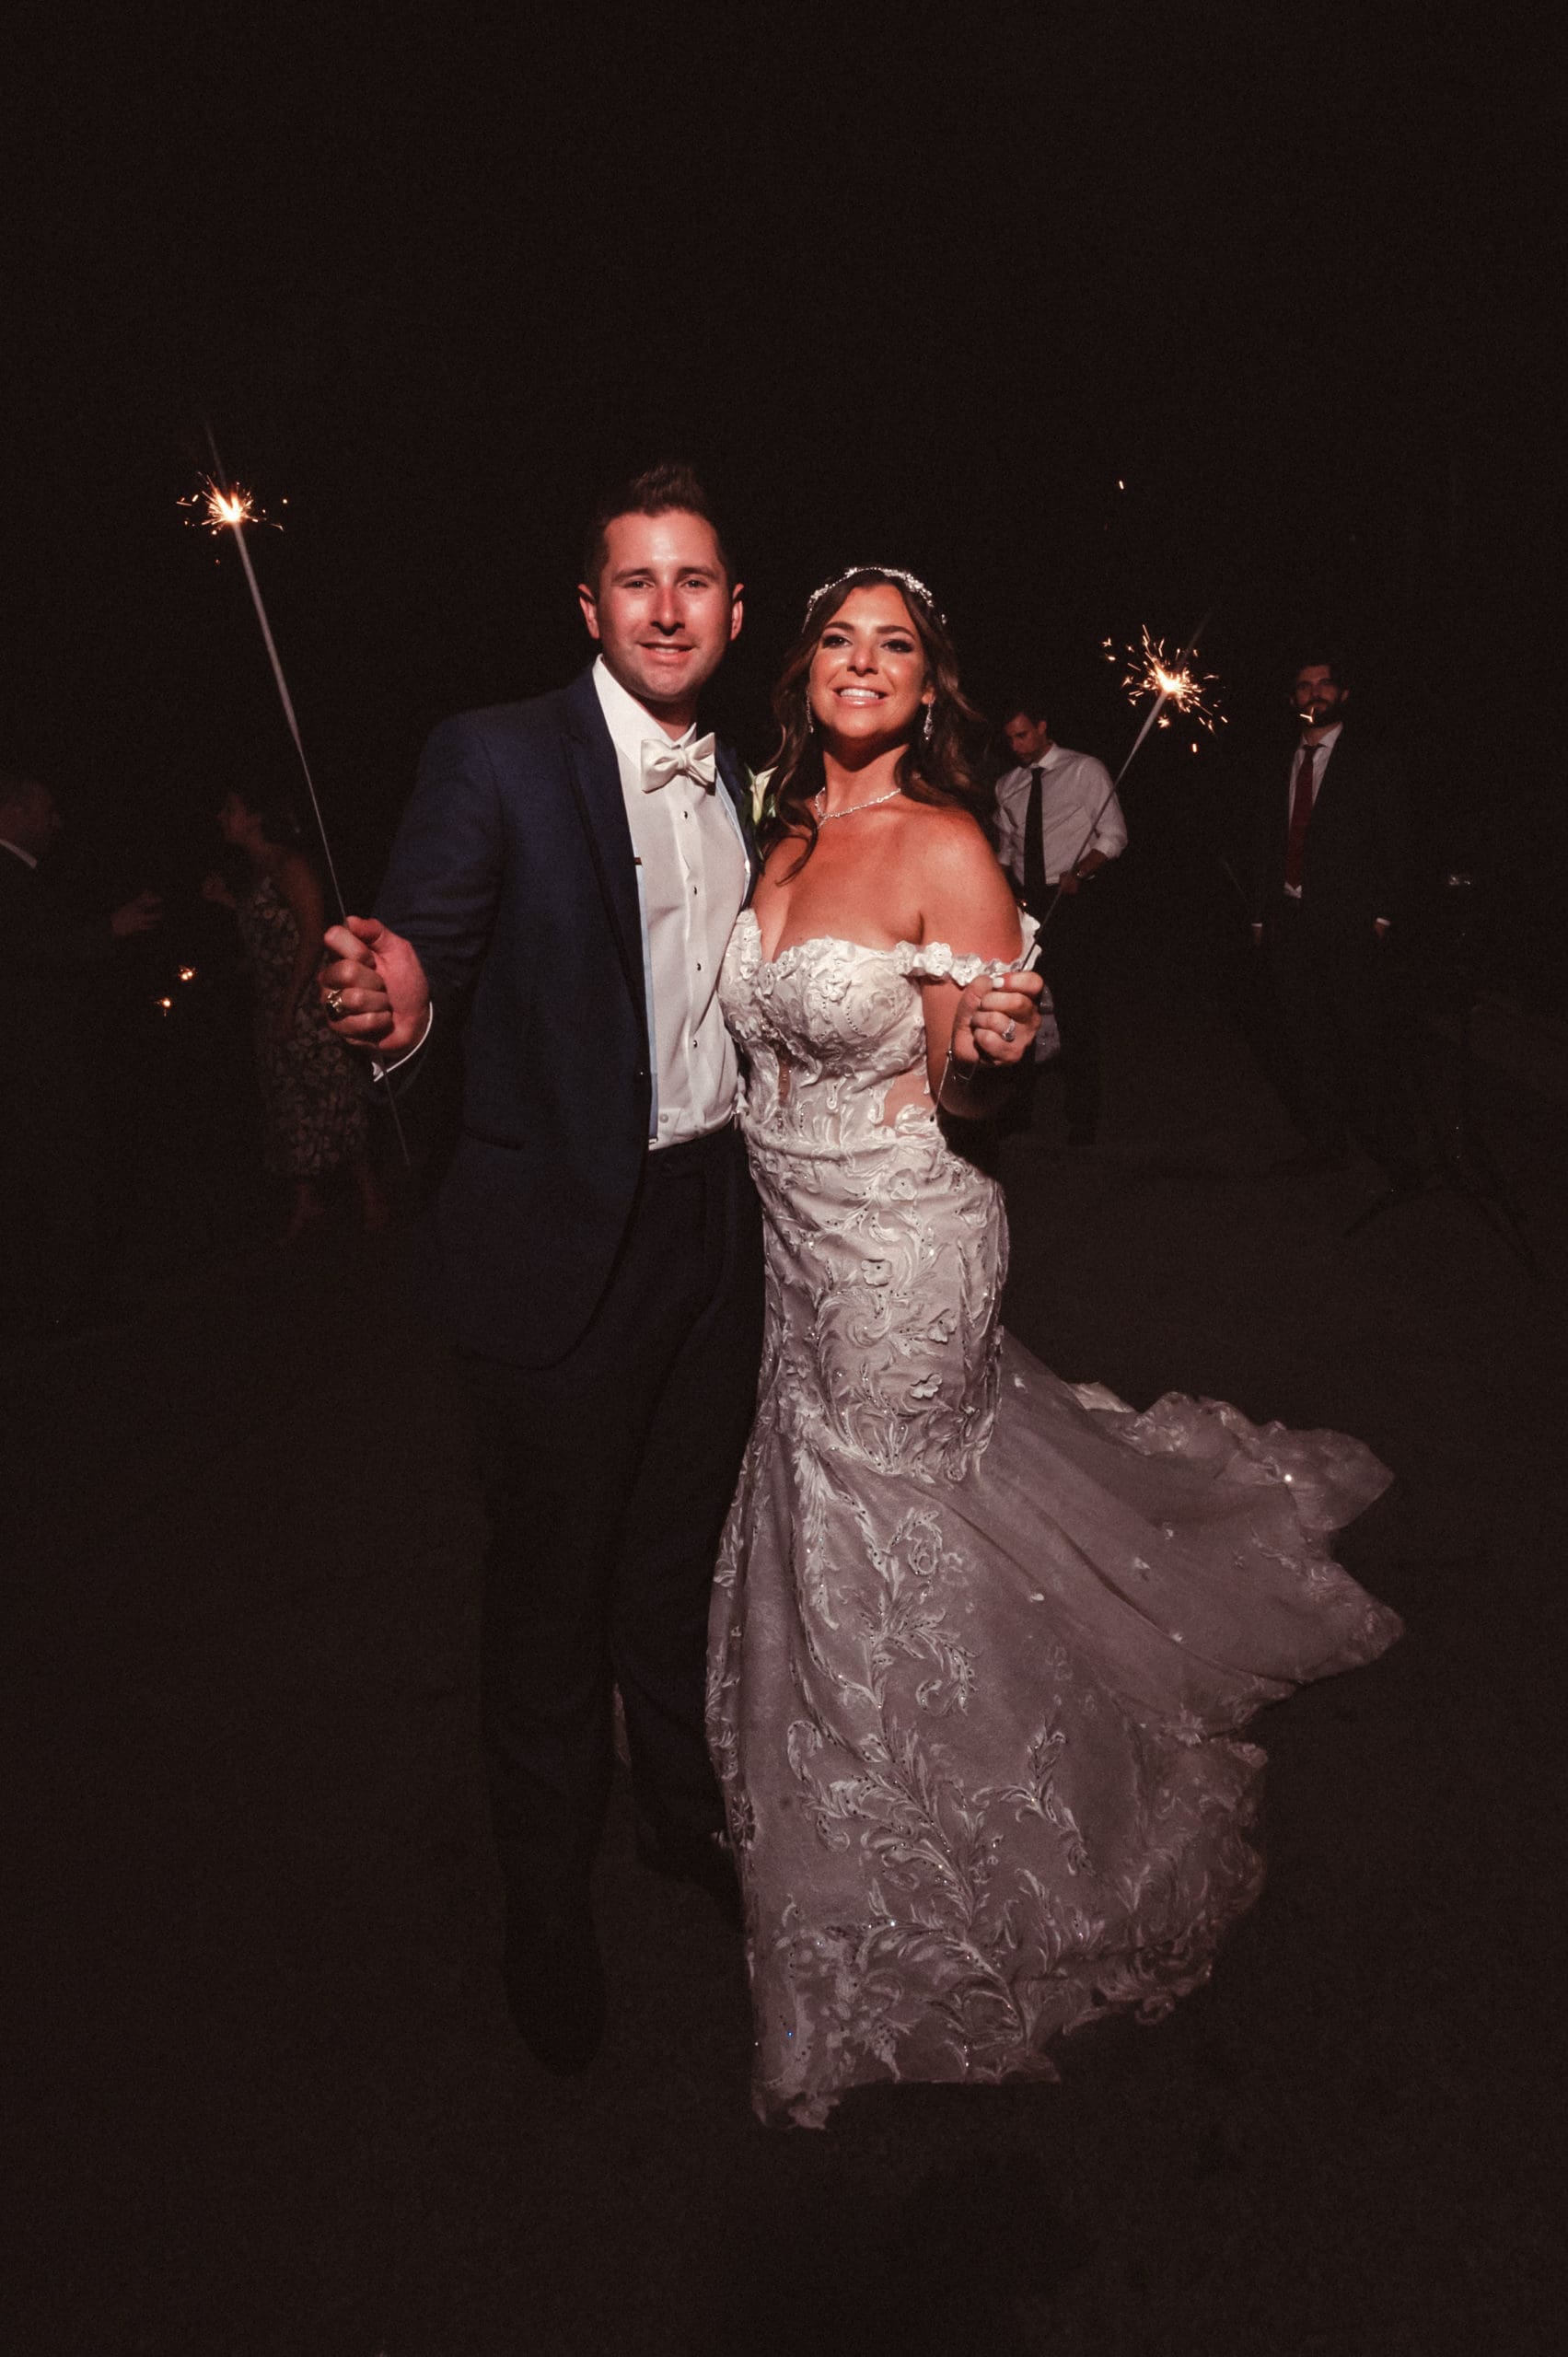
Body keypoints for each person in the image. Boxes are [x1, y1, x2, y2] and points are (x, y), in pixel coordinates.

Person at [315, 470, 1051, 2075]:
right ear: (590, 605)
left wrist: (991, 1050)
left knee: (679, 1564)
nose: (665, 608)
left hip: (731, 1236)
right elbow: (420, 958)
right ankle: (544, 1909)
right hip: (558, 1251)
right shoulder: (493, 754)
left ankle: (679, 1811)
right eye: (636, 581)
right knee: (548, 1599)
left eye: (695, 581)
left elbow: (933, 1025)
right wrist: (398, 1011)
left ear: (732, 613)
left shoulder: (756, 785)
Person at [709, 570, 1402, 2127]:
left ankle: (949, 1817)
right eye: (838, 639)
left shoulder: (947, 845)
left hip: (904, 1242)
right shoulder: (782, 837)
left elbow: (972, 1094)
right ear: (803, 668)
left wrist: (990, 1047)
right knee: (829, 1498)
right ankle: (828, 1771)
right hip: (788, 1236)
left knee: (887, 1511)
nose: (863, 662)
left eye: (894, 644)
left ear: (926, 684)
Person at [0, 770, 162, 1334]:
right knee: (62, 1172)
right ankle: (70, 1304)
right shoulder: (8, 876)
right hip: (35, 1060)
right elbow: (30, 951)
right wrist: (109, 930)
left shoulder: (30, 875)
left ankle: (63, 1298)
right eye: (46, 810)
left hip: (47, 1053)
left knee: (57, 1173)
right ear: (15, 812)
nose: (57, 821)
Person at [1249, 653, 1418, 1181]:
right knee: (1306, 1040)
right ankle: (1325, 1145)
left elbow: (1397, 839)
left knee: (1364, 1038)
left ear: (1342, 695)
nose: (1314, 693)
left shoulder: (1371, 760)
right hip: (1289, 920)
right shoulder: (1278, 760)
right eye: (1304, 686)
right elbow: (1262, 840)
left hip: (1349, 921)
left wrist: (1383, 915)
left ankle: (1394, 1152)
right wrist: (1260, 915)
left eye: (1324, 684)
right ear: (1292, 699)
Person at [202, 785, 389, 1240]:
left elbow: (310, 934)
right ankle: (307, 1203)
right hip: (273, 1001)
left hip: (308, 999)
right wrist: (229, 904)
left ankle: (371, 1196)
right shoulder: (257, 872)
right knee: (289, 1102)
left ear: (254, 817)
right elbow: (269, 931)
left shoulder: (290, 864)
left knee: (333, 1091)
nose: (221, 816)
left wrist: (289, 1006)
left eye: (230, 808)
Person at [993, 695, 1127, 1148]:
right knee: (1018, 1005)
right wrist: (1000, 887)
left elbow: (1114, 834)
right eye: (1009, 739)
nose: (1016, 746)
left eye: (1023, 735)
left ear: (1042, 726)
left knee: (1075, 1010)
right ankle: (1018, 1110)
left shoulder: (1084, 770)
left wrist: (1081, 872)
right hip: (1026, 903)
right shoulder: (1008, 785)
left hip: (1071, 899)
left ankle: (1082, 1120)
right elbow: (1008, 849)